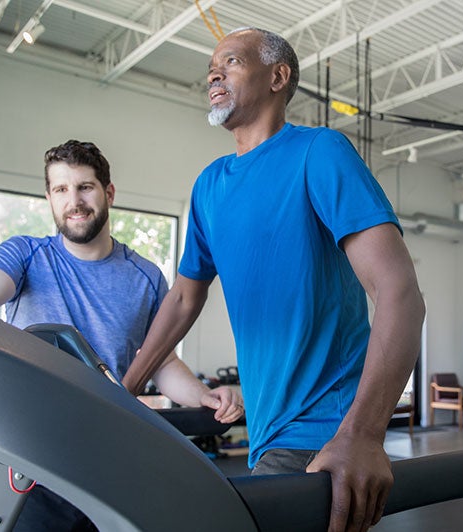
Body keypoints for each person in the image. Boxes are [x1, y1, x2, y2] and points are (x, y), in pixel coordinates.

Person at [122, 27, 426, 532]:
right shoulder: (210, 186)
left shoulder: (319, 152)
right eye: (211, 67)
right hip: (266, 429)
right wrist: (123, 387)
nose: (214, 73)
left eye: (232, 62)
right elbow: (182, 299)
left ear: (277, 77)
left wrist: (363, 434)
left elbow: (400, 294)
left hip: (323, 429)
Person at [0, 139, 243, 531]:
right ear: (49, 197)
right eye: (61, 190)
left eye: (85, 187)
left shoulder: (146, 276)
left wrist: (203, 395)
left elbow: (161, 360)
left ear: (108, 193)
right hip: (31, 455)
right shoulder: (26, 256)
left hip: (108, 457)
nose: (74, 201)